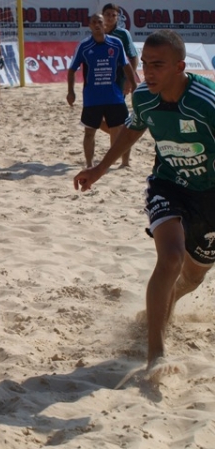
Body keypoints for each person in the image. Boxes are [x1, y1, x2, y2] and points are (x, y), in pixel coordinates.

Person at [73, 30, 215, 370]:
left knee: (192, 278)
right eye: (146, 64)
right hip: (168, 184)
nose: (148, 72)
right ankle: (156, 355)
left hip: (210, 195)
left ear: (179, 66)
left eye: (158, 65)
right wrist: (100, 168)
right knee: (171, 257)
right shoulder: (143, 97)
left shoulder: (206, 102)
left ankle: (167, 302)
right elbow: (133, 130)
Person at [67, 13, 137, 168]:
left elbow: (126, 65)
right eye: (93, 22)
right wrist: (70, 91)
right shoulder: (84, 46)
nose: (97, 25)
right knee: (89, 132)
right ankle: (89, 164)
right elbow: (72, 70)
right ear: (90, 26)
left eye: (99, 22)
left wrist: (133, 84)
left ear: (104, 24)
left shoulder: (116, 43)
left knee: (123, 129)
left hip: (114, 96)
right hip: (92, 98)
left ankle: (125, 163)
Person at [99, 3, 141, 164]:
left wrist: (129, 81)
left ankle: (123, 161)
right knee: (98, 121)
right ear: (102, 15)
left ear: (118, 18)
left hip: (118, 82)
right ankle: (125, 138)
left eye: (113, 15)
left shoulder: (123, 34)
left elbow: (133, 57)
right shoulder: (98, 33)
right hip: (101, 83)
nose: (110, 17)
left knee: (116, 121)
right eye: (107, 14)